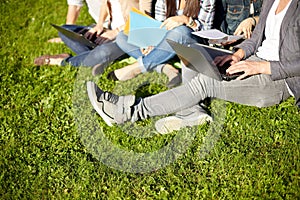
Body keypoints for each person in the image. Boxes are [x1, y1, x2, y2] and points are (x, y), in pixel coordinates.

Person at [86, 0, 300, 134]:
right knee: (193, 57)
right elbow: (257, 38)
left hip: (278, 81)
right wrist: (238, 54)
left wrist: (261, 67)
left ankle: (124, 111)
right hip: (254, 61)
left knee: (204, 83)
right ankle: (191, 114)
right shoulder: (272, 1)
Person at [107, 0, 215, 88]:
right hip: (165, 44)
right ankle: (164, 66)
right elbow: (159, 27)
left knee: (180, 31)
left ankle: (139, 67)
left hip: (191, 45)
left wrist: (186, 20)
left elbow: (206, 31)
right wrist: (151, 43)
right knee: (123, 36)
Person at [34, 0, 152, 70]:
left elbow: (142, 18)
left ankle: (65, 61)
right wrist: (100, 24)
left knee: (104, 52)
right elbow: (105, 4)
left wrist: (115, 32)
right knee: (66, 30)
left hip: (126, 35)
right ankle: (93, 56)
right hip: (109, 30)